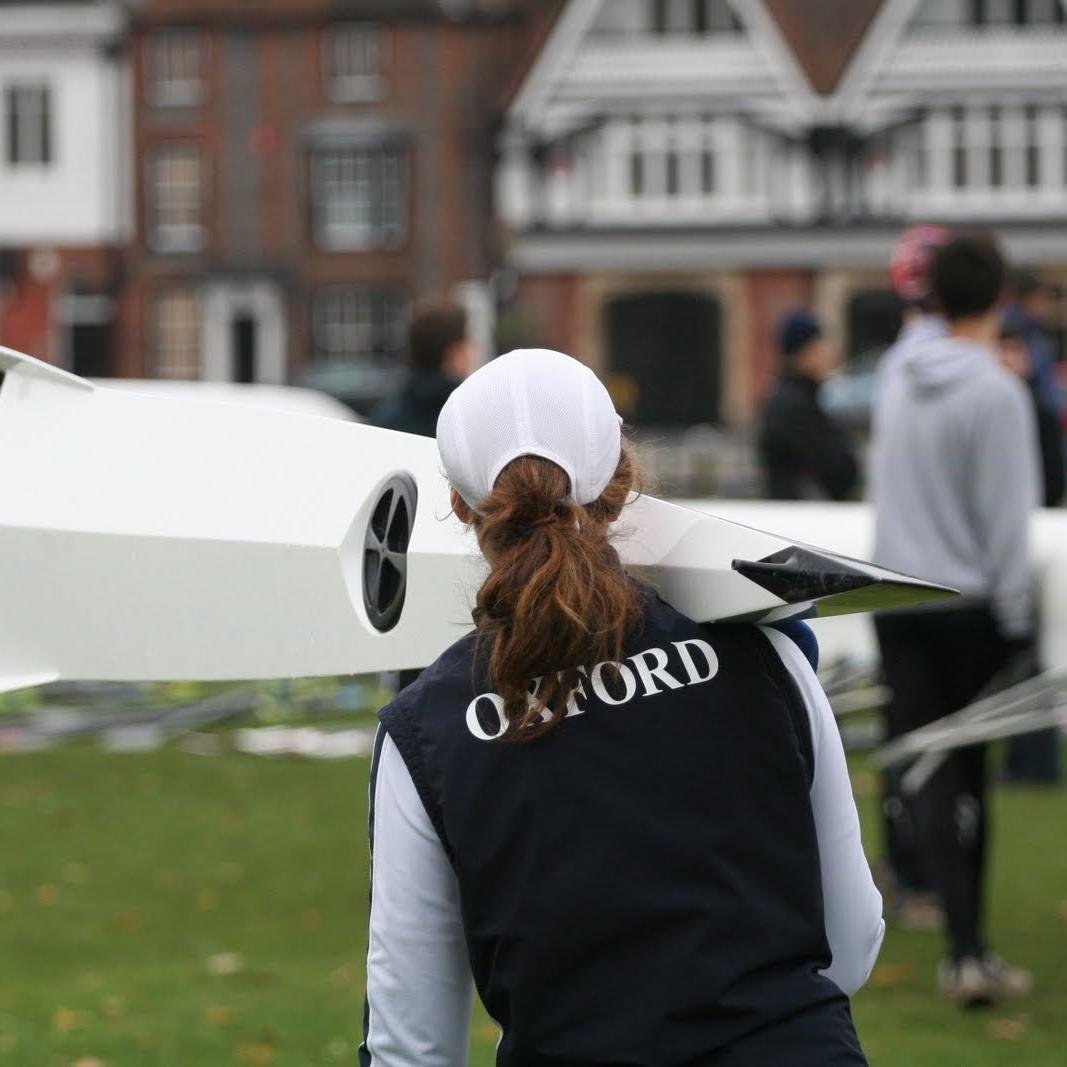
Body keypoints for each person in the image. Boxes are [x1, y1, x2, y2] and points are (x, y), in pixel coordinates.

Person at [360, 348, 884, 1065]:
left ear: (457, 504)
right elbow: (849, 943)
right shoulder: (770, 655)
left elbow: (410, 1047)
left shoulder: (423, 731)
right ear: (623, 478)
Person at [870, 235, 1040, 1006]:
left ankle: (946, 933)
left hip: (898, 598)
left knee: (928, 770)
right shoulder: (995, 392)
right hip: (967, 604)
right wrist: (1017, 617)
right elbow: (1007, 520)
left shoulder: (894, 373)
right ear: (998, 293)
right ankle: (967, 951)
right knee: (969, 774)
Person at [874, 224, 950, 930]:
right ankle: (929, 882)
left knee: (906, 738)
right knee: (944, 746)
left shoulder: (895, 368)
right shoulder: (972, 373)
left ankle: (909, 871)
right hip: (951, 587)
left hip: (894, 575)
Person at [997, 325, 1064, 786]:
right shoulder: (1013, 404)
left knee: (1028, 656)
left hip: (1028, 545)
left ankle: (1036, 762)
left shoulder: (1029, 408)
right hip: (1012, 547)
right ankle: (1023, 760)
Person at [758, 308, 858, 501]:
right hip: (802, 521)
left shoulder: (795, 398)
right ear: (802, 354)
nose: (829, 355)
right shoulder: (794, 406)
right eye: (820, 348)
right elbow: (836, 471)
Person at [370, 300, 476, 437]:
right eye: (467, 344)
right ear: (453, 353)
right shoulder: (468, 417)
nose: (473, 351)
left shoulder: (385, 417)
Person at [1003, 271, 1062, 421]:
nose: (1047, 305)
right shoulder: (1012, 328)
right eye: (1043, 299)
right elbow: (1027, 369)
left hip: (1045, 405)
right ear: (1029, 299)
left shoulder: (1037, 328)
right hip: (1032, 408)